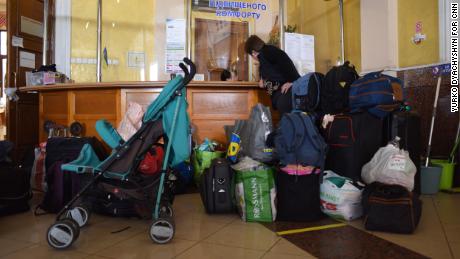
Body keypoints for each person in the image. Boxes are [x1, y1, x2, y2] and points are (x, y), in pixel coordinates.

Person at [245, 35, 300, 116]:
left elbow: (271, 81)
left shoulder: (264, 55)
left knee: (289, 124)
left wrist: (264, 82)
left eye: (251, 56)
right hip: (291, 93)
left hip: (285, 96)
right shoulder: (270, 51)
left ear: (253, 53)